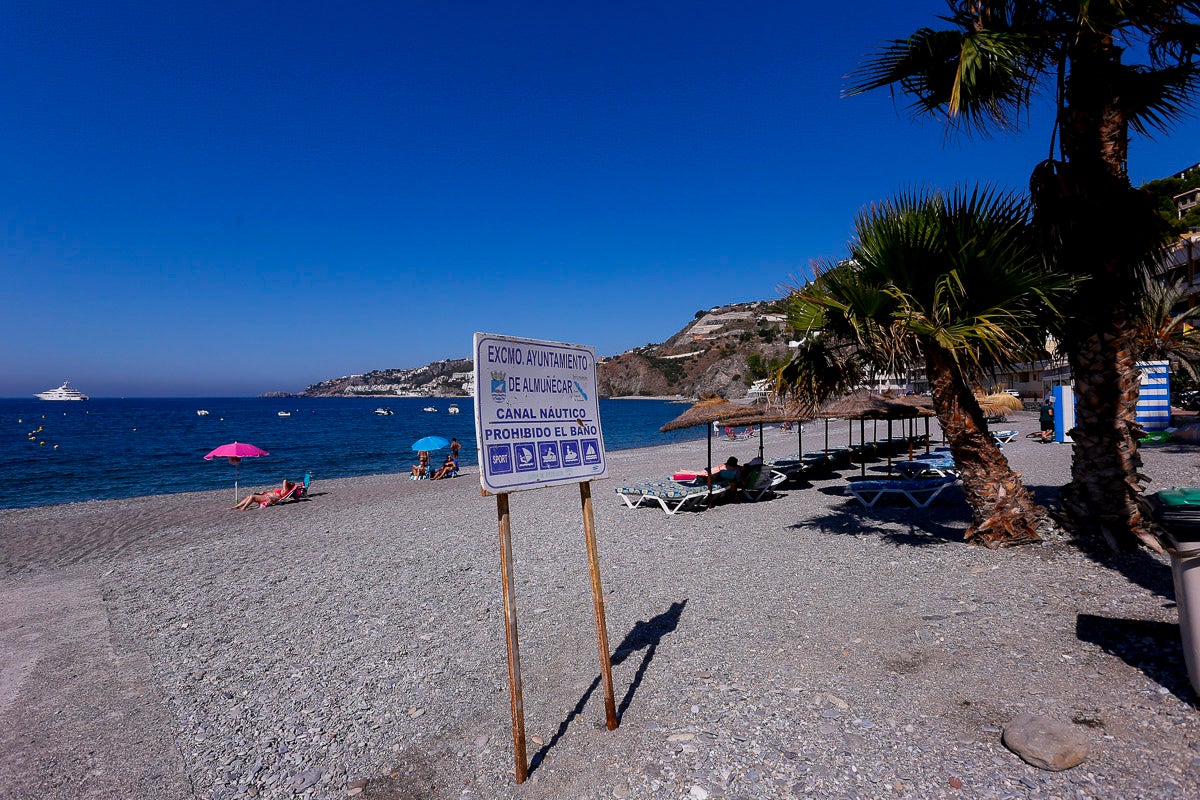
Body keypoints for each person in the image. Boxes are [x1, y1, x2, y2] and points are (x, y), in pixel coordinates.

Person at [232, 479, 300, 511]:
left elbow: (285, 480)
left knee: (252, 497)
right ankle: (237, 506)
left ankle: (244, 508)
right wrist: (264, 492)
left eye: (290, 484)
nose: (289, 483)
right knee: (249, 496)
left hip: (270, 498)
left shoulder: (285, 491)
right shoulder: (283, 490)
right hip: (266, 495)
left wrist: (290, 483)